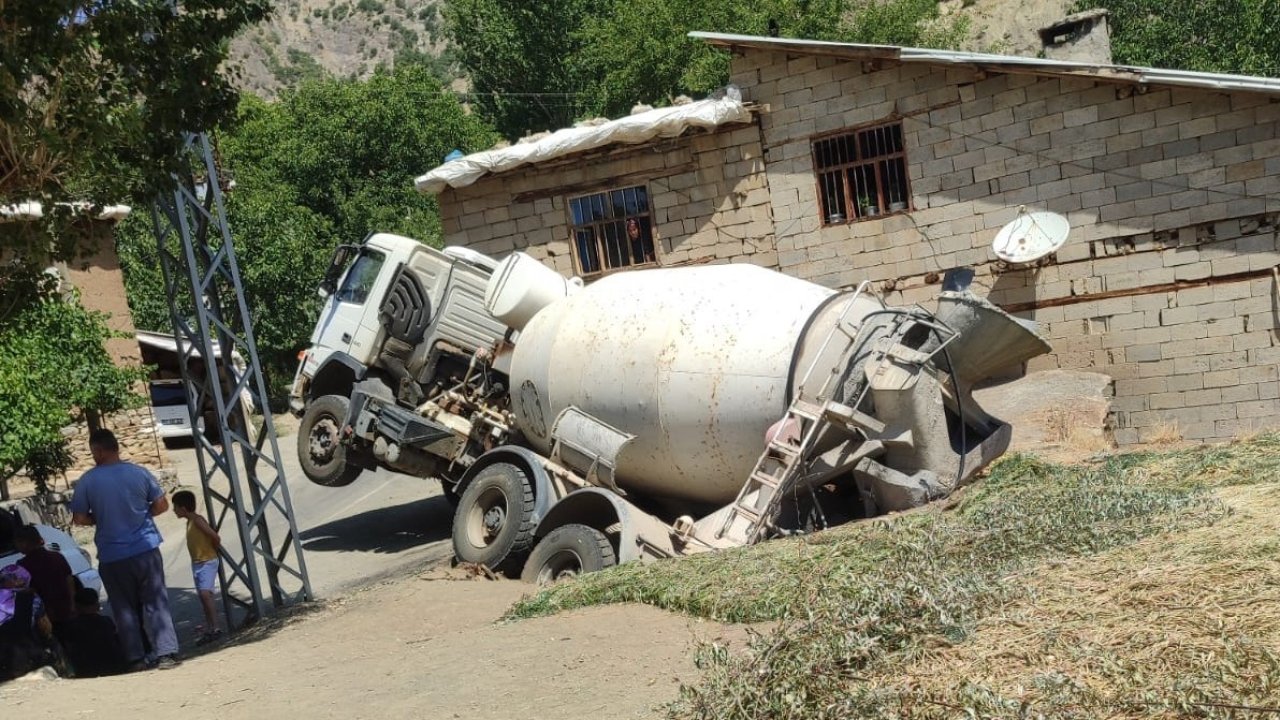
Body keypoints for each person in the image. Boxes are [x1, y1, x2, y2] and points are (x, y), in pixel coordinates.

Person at [69, 428, 182, 671]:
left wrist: (100, 518)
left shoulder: (87, 481)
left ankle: (136, 659)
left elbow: (79, 518)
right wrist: (143, 514)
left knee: (124, 609)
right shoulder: (139, 473)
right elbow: (162, 504)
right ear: (116, 447)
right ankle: (167, 653)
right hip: (145, 549)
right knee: (156, 602)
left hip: (112, 556)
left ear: (98, 450)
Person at [171, 489, 223, 645]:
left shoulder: (197, 520)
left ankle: (216, 628)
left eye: (175, 507)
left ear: (183, 508)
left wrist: (213, 549)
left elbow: (214, 536)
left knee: (206, 595)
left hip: (207, 561)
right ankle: (210, 627)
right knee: (203, 596)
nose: (174, 511)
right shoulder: (190, 522)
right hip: (198, 563)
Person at [14, 525, 76, 633]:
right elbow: (69, 581)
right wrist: (72, 604)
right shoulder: (57, 557)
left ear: (24, 543)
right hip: (65, 608)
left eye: (18, 543)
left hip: (45, 615)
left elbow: (26, 591)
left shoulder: (23, 565)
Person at [58, 587, 126, 678]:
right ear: (97, 604)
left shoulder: (71, 627)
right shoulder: (106, 622)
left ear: (77, 606)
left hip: (87, 671)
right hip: (114, 667)